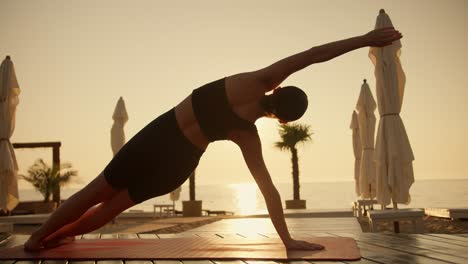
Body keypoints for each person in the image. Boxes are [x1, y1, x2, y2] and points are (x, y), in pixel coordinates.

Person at [24, 27, 402, 251]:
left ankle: (40, 236)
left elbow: (314, 55)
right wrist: (287, 240)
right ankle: (57, 239)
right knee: (110, 210)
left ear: (280, 88)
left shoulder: (257, 80)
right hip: (178, 164)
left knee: (95, 193)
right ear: (283, 120)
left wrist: (366, 39)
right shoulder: (247, 135)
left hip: (159, 137)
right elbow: (268, 189)